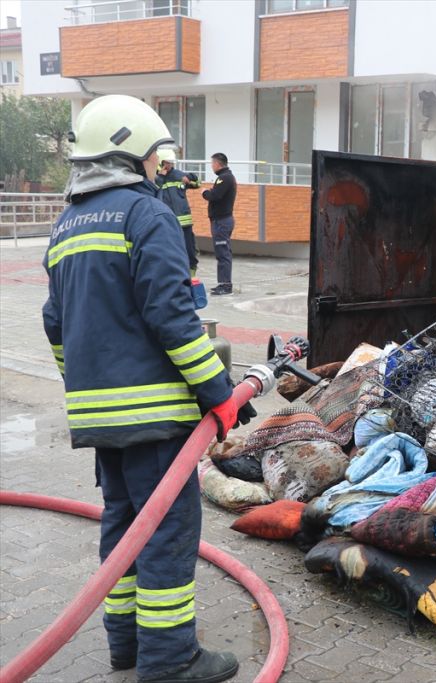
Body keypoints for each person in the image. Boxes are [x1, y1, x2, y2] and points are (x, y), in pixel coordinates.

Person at [42, 94, 252, 683]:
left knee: (123, 525)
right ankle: (170, 659)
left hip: (99, 419)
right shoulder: (144, 214)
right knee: (167, 533)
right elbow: (172, 317)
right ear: (131, 151)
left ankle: (126, 645)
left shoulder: (66, 225)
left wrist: (82, 388)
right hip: (155, 417)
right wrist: (219, 392)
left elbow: (54, 324)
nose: (160, 166)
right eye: (156, 155)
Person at [154, 147, 201, 277]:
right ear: (160, 163)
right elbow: (153, 189)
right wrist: (160, 177)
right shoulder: (155, 178)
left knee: (189, 249)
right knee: (169, 250)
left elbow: (197, 184)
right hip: (167, 222)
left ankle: (191, 274)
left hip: (185, 222)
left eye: (171, 163)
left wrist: (190, 177)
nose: (169, 165)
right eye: (167, 163)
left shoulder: (179, 175)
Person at [201, 153, 236, 295]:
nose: (211, 166)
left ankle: (225, 286)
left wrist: (205, 192)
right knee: (222, 253)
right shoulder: (225, 177)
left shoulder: (224, 178)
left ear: (217, 163)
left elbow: (214, 196)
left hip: (222, 222)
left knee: (223, 253)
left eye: (212, 163)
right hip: (221, 221)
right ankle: (223, 283)